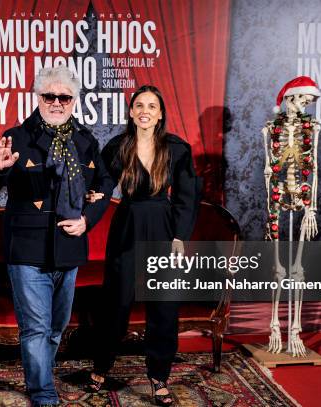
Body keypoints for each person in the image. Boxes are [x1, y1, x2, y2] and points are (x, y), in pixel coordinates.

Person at [0, 66, 113, 406]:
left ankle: (41, 375)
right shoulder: (17, 137)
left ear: (74, 100)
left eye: (64, 97)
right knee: (36, 327)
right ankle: (43, 394)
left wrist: (87, 220)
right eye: (49, 96)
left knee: (55, 327)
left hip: (68, 248)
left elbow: (105, 184)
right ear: (38, 98)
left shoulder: (85, 140)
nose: (56, 103)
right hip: (26, 248)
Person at [88, 85, 200, 406]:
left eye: (152, 105)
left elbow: (186, 197)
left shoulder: (176, 148)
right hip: (127, 225)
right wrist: (93, 194)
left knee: (163, 306)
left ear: (160, 113)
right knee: (116, 303)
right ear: (132, 111)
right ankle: (102, 365)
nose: (145, 110)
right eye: (139, 105)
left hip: (163, 227)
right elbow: (103, 184)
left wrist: (180, 235)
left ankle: (159, 376)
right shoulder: (117, 146)